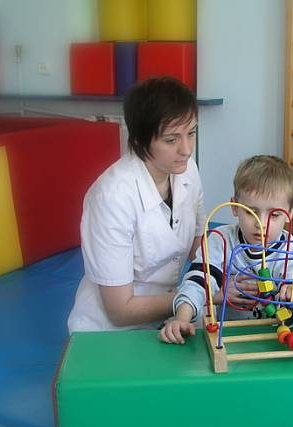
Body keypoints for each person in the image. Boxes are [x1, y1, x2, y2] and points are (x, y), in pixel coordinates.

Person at [67, 77, 204, 333]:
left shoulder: (187, 171)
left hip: (170, 315)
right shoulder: (111, 197)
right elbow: (120, 311)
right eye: (171, 140)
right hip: (112, 331)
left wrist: (227, 275)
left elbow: (200, 247)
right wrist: (195, 296)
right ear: (140, 140)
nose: (186, 149)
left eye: (192, 133)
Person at [159, 155, 293, 344]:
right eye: (251, 212)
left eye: (274, 215)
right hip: (227, 337)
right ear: (234, 207)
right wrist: (181, 318)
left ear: (290, 213)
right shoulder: (220, 240)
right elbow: (198, 281)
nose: (261, 224)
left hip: (275, 339)